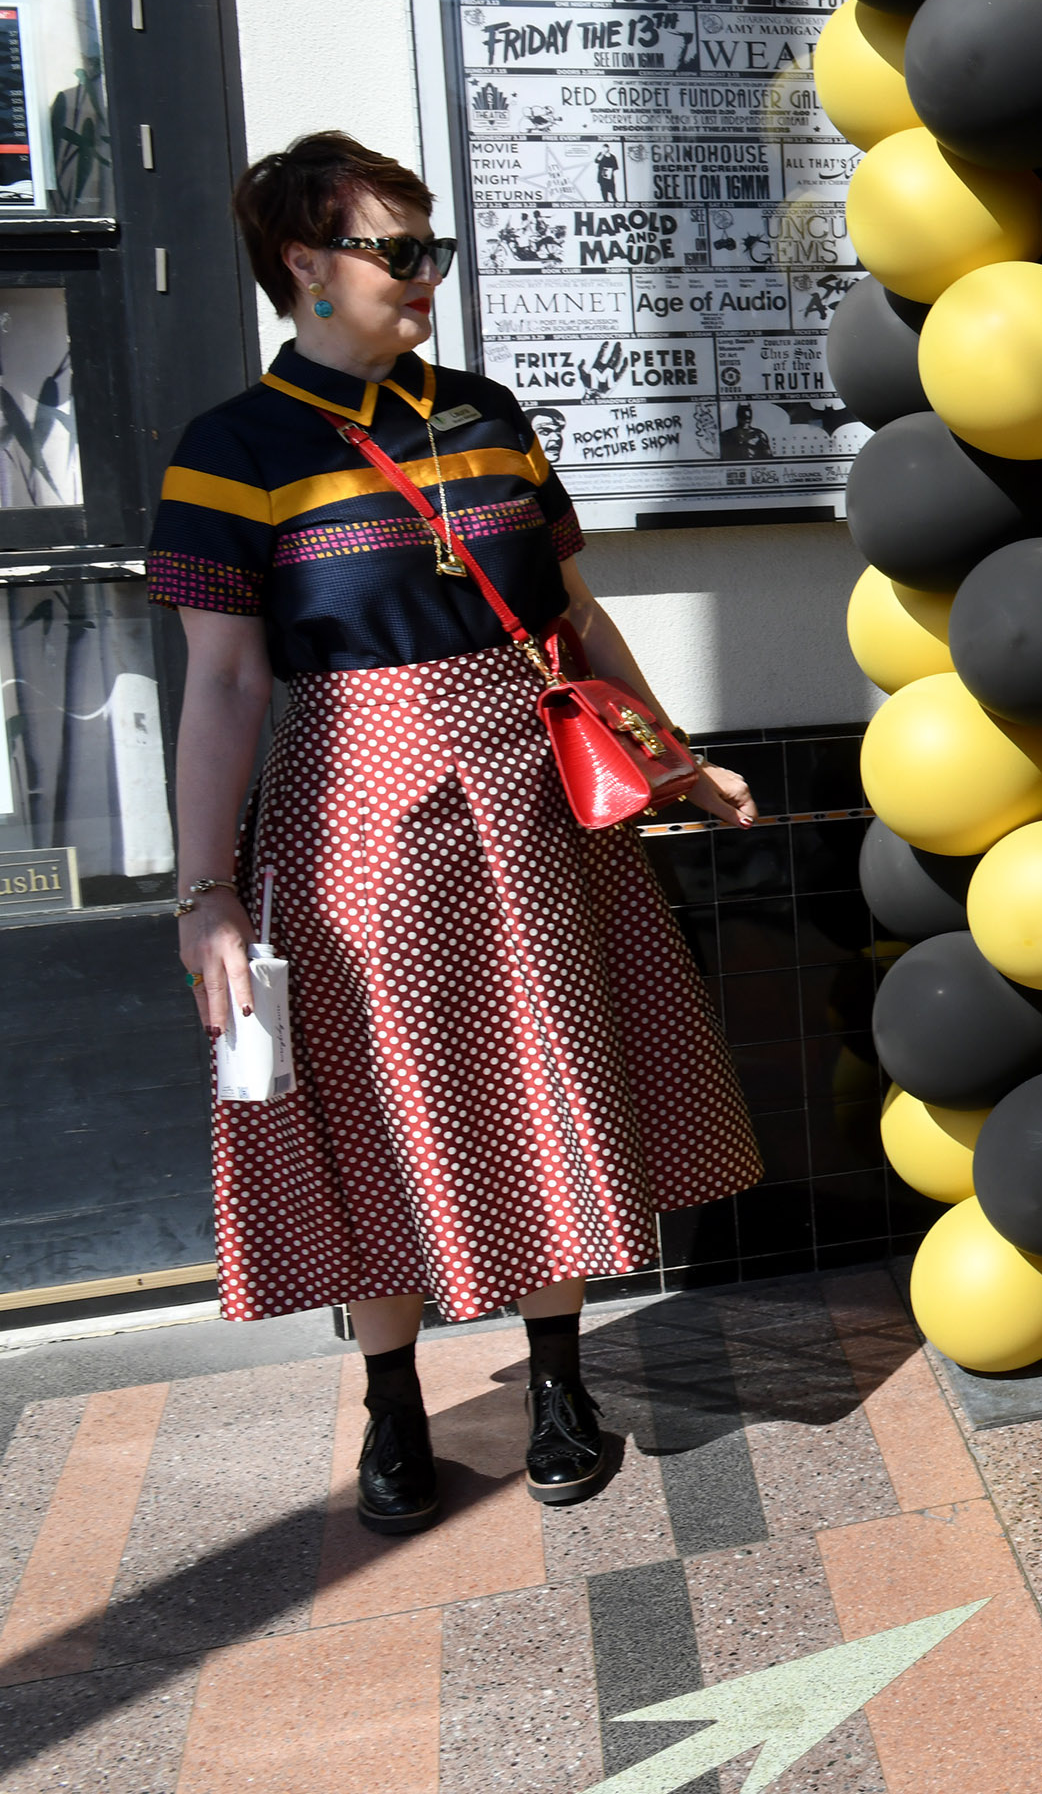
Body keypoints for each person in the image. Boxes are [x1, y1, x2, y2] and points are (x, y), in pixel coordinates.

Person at [160, 132, 761, 1537]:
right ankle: (390, 1400)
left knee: (550, 1069)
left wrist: (672, 763)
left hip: (531, 808)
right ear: (304, 266)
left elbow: (574, 621)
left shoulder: (486, 414)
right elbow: (226, 683)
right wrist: (205, 895)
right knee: (369, 1103)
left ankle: (560, 1385)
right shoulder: (230, 451)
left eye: (434, 249)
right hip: (349, 818)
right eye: (398, 252)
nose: (430, 277)